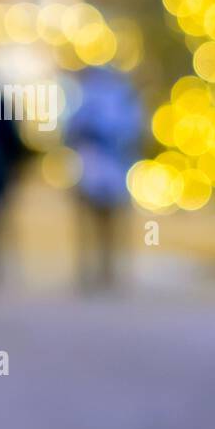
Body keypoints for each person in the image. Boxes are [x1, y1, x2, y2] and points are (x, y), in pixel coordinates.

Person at [64, 67, 143, 293]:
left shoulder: (122, 100)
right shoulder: (85, 100)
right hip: (90, 171)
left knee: (111, 225)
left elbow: (131, 133)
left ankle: (110, 271)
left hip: (113, 171)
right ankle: (91, 271)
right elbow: (72, 132)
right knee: (90, 224)